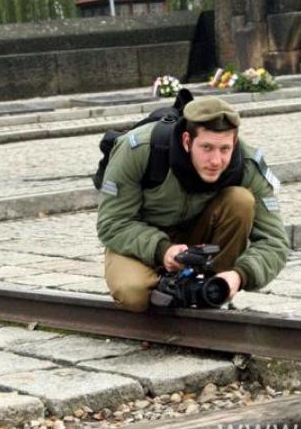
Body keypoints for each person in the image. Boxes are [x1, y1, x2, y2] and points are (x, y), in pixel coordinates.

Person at [97, 96, 289, 312]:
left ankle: (211, 290)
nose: (216, 160)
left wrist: (239, 275)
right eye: (206, 148)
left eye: (225, 149)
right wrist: (163, 250)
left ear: (234, 143)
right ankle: (164, 287)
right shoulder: (138, 149)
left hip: (199, 241)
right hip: (138, 244)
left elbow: (275, 241)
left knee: (240, 200)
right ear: (187, 141)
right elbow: (112, 223)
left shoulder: (247, 164)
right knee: (133, 293)